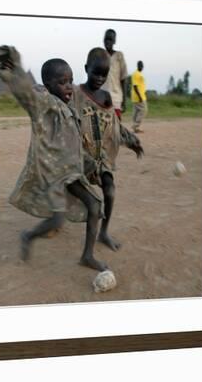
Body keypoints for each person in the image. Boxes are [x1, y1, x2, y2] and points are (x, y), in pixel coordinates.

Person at [0, 45, 108, 271]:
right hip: (54, 175)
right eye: (62, 82)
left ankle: (87, 256)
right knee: (57, 220)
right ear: (48, 85)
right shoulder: (44, 105)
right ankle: (29, 236)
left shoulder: (69, 108)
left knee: (95, 205)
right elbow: (27, 93)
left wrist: (91, 164)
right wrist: (13, 71)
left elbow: (73, 143)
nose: (69, 87)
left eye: (71, 81)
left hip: (71, 172)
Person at [71, 47, 144, 252]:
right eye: (96, 73)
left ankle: (103, 232)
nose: (100, 78)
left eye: (104, 74)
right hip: (80, 156)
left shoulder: (106, 97)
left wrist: (132, 141)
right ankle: (54, 219)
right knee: (68, 192)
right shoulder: (75, 94)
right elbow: (61, 116)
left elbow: (114, 125)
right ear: (86, 69)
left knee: (109, 192)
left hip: (101, 157)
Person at [101, 29, 128, 120]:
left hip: (116, 98)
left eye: (110, 39)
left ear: (114, 41)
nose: (108, 42)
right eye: (106, 39)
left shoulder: (119, 56)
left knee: (116, 127)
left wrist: (124, 100)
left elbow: (123, 79)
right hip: (101, 97)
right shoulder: (100, 55)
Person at [131, 60, 148, 133]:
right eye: (140, 65)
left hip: (139, 96)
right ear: (137, 66)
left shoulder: (138, 74)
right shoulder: (136, 74)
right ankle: (135, 126)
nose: (142, 67)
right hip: (139, 96)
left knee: (137, 111)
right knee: (144, 110)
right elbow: (135, 86)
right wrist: (140, 96)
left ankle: (135, 128)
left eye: (142, 65)